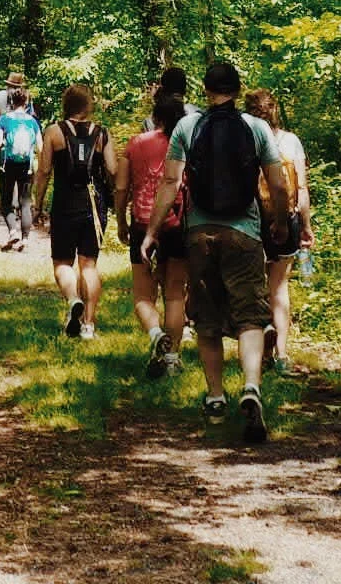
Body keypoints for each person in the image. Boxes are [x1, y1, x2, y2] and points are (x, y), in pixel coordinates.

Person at [142, 59, 292, 443]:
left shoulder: (187, 127)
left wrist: (152, 231)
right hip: (244, 233)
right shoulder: (257, 128)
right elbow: (277, 184)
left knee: (207, 319)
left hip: (199, 235)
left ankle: (214, 395)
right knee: (250, 317)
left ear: (205, 91)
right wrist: (277, 221)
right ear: (238, 90)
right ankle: (252, 385)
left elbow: (171, 182)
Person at [116, 84, 189, 378]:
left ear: (155, 117)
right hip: (176, 222)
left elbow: (121, 186)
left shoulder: (136, 143)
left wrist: (120, 219)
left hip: (142, 222)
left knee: (143, 296)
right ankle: (172, 357)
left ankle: (156, 333)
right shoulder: (186, 144)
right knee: (175, 293)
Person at [34, 83, 116, 339]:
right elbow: (113, 170)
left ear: (66, 105)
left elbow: (44, 171)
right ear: (88, 105)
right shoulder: (102, 134)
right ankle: (88, 326)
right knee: (89, 265)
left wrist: (37, 204)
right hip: (94, 204)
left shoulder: (54, 132)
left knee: (62, 263)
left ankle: (72, 300)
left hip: (65, 204)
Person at [245, 88, 311, 376]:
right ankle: (282, 355)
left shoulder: (245, 142)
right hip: (287, 217)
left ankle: (260, 346)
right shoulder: (291, 141)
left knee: (253, 286)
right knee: (280, 287)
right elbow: (301, 189)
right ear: (275, 110)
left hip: (252, 220)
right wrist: (306, 226)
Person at [0, 88, 42, 251]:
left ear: (11, 102)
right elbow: (40, 147)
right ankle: (25, 239)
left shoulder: (4, 119)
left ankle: (13, 232)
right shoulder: (32, 121)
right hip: (26, 166)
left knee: (6, 202)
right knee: (25, 203)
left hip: (8, 165)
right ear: (27, 102)